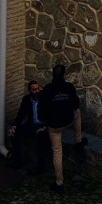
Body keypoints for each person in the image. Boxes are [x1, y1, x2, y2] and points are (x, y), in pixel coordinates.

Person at [38, 63, 86, 193]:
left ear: (53, 74)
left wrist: (44, 122)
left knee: (57, 152)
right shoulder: (69, 87)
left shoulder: (47, 89)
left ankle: (59, 183)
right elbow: (76, 104)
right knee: (77, 113)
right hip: (68, 120)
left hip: (53, 126)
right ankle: (78, 140)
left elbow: (41, 110)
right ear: (64, 74)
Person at [7, 80, 47, 173]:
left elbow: (50, 115)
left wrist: (45, 127)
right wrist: (14, 127)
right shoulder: (26, 99)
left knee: (41, 139)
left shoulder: (44, 98)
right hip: (32, 124)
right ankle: (18, 161)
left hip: (42, 126)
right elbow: (20, 115)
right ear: (30, 91)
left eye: (38, 89)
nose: (37, 91)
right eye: (34, 90)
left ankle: (39, 167)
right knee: (15, 133)